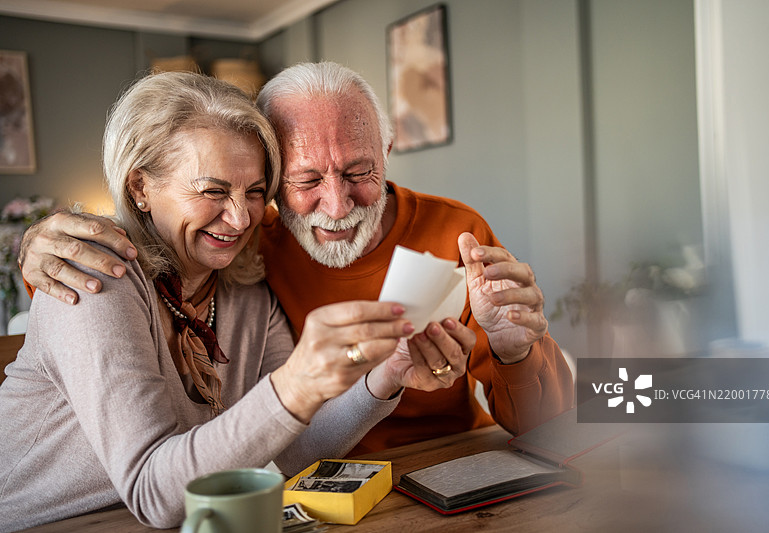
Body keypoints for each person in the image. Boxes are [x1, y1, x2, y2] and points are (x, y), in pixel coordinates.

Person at [18, 61, 574, 455]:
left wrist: (513, 351)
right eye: (306, 179)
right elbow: (101, 311)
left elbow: (550, 431)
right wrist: (39, 248)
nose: (336, 205)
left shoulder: (457, 232)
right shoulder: (246, 241)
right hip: (301, 480)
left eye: (359, 172)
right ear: (274, 177)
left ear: (385, 152)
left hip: (443, 460)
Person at [0, 71, 475, 532]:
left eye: (254, 192)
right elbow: (154, 490)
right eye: (213, 190)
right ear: (140, 187)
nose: (239, 216)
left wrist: (385, 374)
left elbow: (282, 448)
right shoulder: (94, 273)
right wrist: (296, 384)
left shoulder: (246, 290)